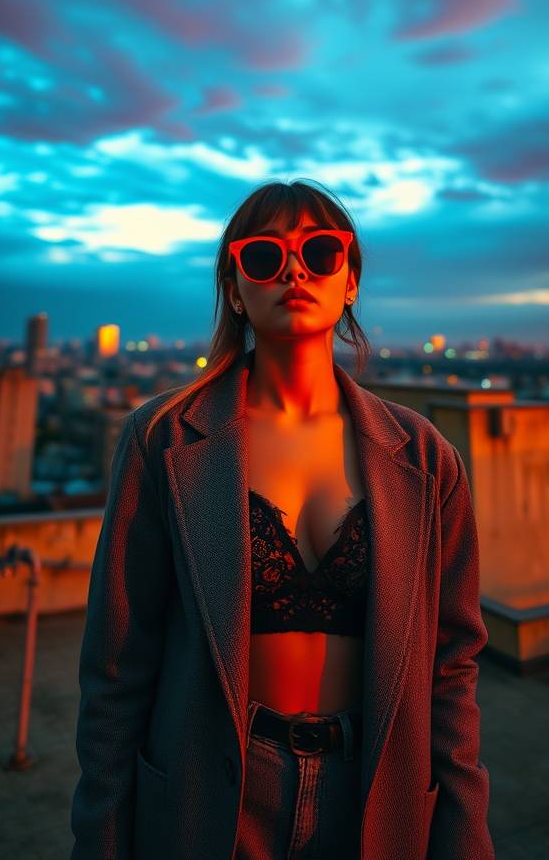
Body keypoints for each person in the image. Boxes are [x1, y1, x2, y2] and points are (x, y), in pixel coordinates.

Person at [70, 178, 494, 859]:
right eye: (264, 256)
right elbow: (118, 667)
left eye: (321, 252)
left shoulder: (424, 459)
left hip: (374, 795)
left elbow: (451, 671)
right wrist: (101, 837)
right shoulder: (164, 441)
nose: (294, 269)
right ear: (236, 290)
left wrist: (466, 836)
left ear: (350, 280)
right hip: (211, 794)